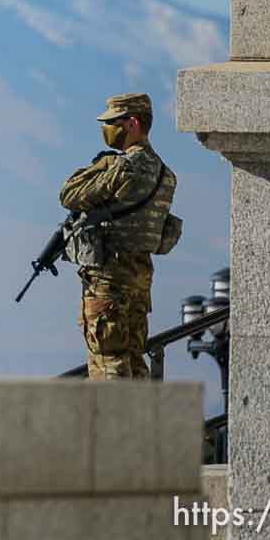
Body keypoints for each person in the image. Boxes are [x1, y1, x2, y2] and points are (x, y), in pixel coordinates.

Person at [58, 92, 177, 378]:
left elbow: (69, 195)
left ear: (132, 123)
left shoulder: (122, 167)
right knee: (134, 365)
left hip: (108, 282)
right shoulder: (166, 174)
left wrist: (103, 164)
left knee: (108, 367)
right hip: (139, 281)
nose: (107, 129)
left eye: (114, 122)